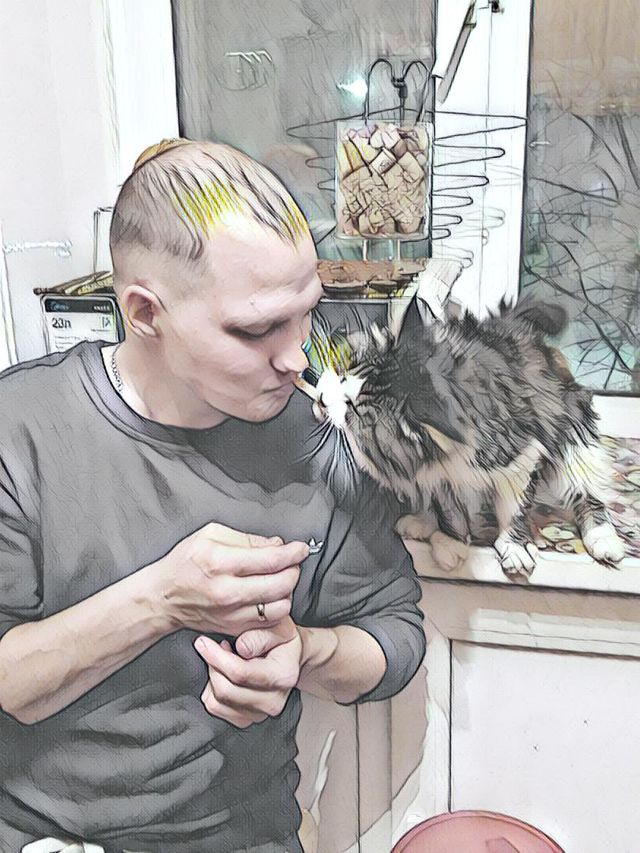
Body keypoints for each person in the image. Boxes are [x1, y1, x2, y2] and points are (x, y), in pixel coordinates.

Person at [0, 139, 426, 853]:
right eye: (256, 330)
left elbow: (397, 635)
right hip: (46, 835)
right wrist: (162, 599)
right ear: (145, 313)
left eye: (307, 314)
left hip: (240, 834)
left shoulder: (317, 437)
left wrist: (306, 652)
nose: (295, 358)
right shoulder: (21, 428)